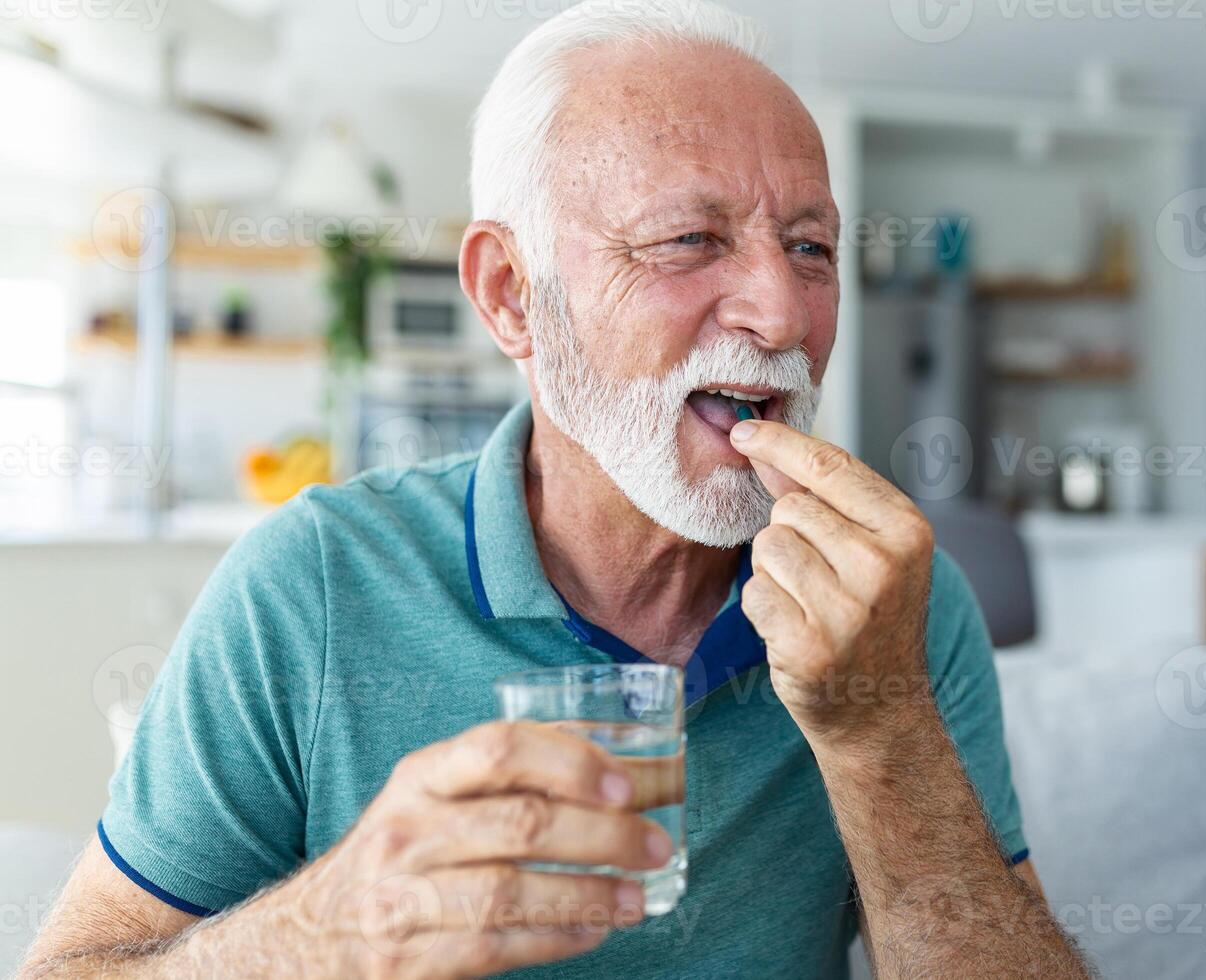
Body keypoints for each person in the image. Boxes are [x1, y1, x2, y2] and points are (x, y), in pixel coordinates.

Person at [24, 1, 1088, 976]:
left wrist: (880, 725)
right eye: (689, 240)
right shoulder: (311, 584)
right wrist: (325, 931)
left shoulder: (898, 603)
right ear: (510, 295)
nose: (781, 311)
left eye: (810, 246)